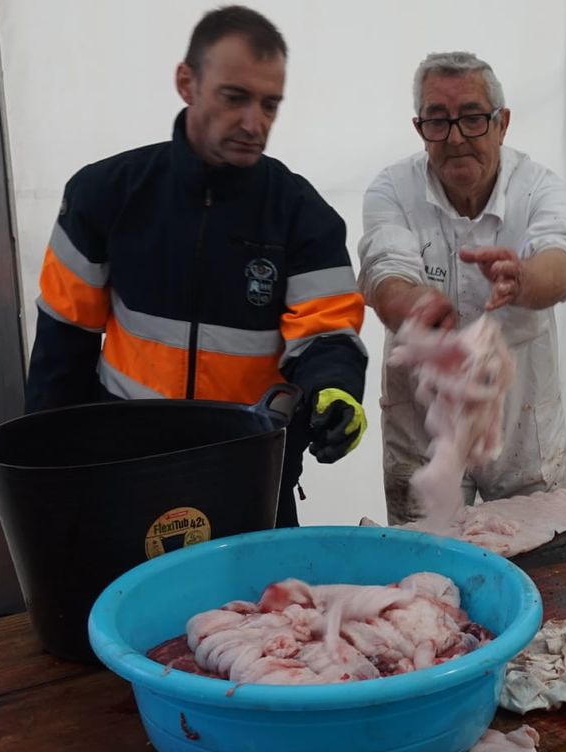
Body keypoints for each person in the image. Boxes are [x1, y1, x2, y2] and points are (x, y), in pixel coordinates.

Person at [24, 5, 369, 528]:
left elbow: (326, 336)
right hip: (124, 473)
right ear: (187, 83)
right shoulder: (105, 194)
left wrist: (336, 390)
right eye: (235, 98)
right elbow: (62, 349)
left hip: (252, 478)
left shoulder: (302, 214)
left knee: (263, 612)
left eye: (270, 104)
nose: (255, 123)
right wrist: (47, 476)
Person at [358, 51, 566, 524]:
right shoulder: (393, 190)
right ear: (419, 128)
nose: (456, 138)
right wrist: (415, 304)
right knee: (424, 572)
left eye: (472, 119)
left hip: (521, 423)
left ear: (502, 123)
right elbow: (385, 268)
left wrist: (523, 278)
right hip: (423, 423)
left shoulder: (539, 188)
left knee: (538, 559)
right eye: (437, 122)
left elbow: (562, 260)